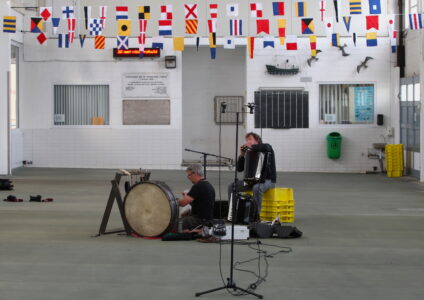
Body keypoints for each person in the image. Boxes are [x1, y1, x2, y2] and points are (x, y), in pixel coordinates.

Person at [228, 132, 276, 217]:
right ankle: (233, 214)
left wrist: (251, 147)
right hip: (251, 181)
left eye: (250, 139)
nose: (247, 142)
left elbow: (267, 146)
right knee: (232, 186)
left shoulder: (266, 149)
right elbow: (239, 169)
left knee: (257, 188)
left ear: (257, 141)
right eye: (247, 140)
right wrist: (242, 155)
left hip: (268, 181)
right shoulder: (248, 152)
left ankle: (255, 216)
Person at [178, 164, 215, 231]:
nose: (188, 177)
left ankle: (195, 232)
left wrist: (171, 201)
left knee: (182, 221)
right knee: (186, 214)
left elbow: (182, 203)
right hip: (208, 219)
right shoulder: (208, 184)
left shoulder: (198, 186)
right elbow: (201, 204)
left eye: (189, 175)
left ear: (195, 173)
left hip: (199, 221)